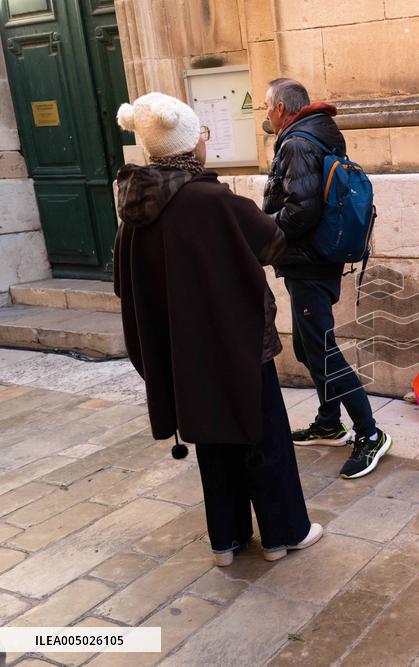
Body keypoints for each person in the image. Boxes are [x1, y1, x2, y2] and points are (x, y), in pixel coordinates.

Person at [114, 92, 322, 567]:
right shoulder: (212, 199)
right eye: (201, 134)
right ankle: (282, 535)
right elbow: (273, 244)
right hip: (236, 340)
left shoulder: (132, 205)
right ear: (189, 146)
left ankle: (225, 541)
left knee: (210, 435)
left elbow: (125, 284)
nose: (206, 142)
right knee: (263, 431)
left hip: (181, 351)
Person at [262, 77, 392, 479]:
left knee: (321, 349)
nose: (264, 111)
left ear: (282, 107)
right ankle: (328, 421)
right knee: (305, 346)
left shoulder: (298, 142)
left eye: (266, 104)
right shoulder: (315, 136)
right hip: (315, 260)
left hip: (309, 261)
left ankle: (370, 434)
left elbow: (301, 210)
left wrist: (265, 231)